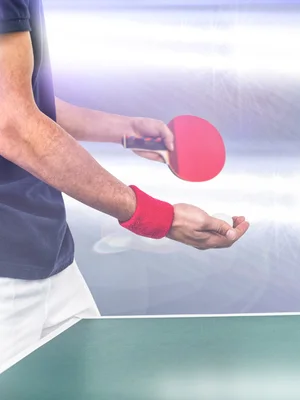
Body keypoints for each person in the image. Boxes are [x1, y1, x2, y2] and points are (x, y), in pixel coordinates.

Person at [0, 0, 250, 367]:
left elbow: (21, 99)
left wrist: (125, 132)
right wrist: (159, 218)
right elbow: (14, 126)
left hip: (48, 257)